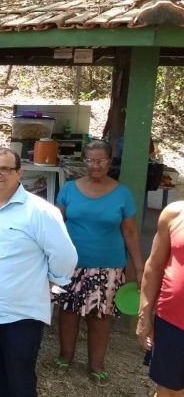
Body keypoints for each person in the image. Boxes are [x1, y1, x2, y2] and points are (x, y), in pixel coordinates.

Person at [0, 148, 77, 397]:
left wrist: (50, 282)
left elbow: (65, 256)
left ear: (19, 173)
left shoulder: (39, 211)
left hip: (20, 315)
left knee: (20, 380)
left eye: (4, 169)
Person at [52, 140, 144, 383]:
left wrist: (139, 266)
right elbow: (55, 225)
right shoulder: (69, 189)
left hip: (108, 265)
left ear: (110, 161)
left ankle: (96, 363)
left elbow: (130, 232)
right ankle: (65, 355)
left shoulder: (122, 193)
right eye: (90, 160)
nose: (95, 165)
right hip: (71, 264)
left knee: (100, 315)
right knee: (68, 311)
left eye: (101, 160)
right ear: (84, 161)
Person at [137, 201, 184, 397]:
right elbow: (154, 265)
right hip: (171, 322)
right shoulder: (174, 213)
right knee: (166, 388)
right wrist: (144, 315)